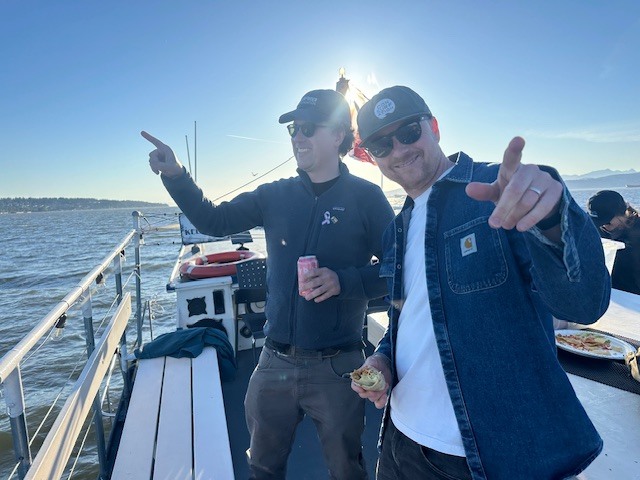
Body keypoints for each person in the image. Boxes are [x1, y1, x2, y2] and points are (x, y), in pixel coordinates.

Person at [351, 86, 611, 480]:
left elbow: (582, 303)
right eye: (382, 145)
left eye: (408, 133)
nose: (399, 150)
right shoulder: (395, 230)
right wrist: (383, 359)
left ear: (434, 127)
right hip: (400, 442)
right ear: (371, 158)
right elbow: (407, 318)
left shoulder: (501, 192)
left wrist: (553, 219)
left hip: (485, 459)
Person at [142, 88, 395, 480]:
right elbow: (214, 220)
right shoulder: (274, 196)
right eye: (295, 128)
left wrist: (344, 282)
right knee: (261, 467)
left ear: (339, 135)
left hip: (338, 366)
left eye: (309, 128)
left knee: (348, 470)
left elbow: (398, 270)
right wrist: (176, 176)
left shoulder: (368, 198)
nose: (298, 137)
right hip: (273, 359)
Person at [587, 190, 640, 295]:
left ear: (622, 213)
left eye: (607, 222)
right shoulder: (599, 232)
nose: (604, 226)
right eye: (599, 223)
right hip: (614, 297)